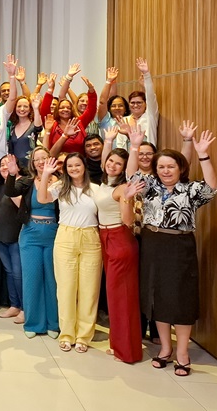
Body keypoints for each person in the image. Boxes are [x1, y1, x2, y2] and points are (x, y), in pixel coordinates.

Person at [126, 126, 217, 377]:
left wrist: (203, 155)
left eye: (171, 166)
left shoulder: (190, 189)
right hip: (152, 244)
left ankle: (183, 353)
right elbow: (131, 177)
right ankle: (165, 348)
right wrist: (134, 147)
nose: (166, 171)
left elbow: (211, 188)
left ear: (180, 168)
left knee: (181, 298)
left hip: (179, 247)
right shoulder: (151, 186)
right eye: (161, 167)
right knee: (157, 297)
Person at [37, 153, 102, 353]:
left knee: (89, 290)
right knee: (65, 289)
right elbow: (42, 198)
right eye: (70, 166)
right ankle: (66, 334)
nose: (74, 169)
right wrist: (46, 174)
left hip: (91, 238)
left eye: (77, 165)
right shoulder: (60, 187)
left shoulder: (96, 189)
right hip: (65, 237)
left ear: (84, 166)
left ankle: (84, 336)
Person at [93, 133, 143, 363]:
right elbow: (105, 159)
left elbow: (128, 220)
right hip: (105, 238)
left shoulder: (124, 188)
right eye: (110, 161)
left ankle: (127, 351)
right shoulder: (105, 183)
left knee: (122, 297)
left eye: (118, 164)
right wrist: (109, 142)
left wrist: (128, 199)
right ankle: (118, 345)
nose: (112, 165)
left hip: (119, 239)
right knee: (114, 297)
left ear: (124, 169)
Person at [5, 149, 60, 340]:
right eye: (37, 159)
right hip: (30, 234)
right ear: (32, 163)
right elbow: (10, 191)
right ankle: (33, 323)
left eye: (44, 158)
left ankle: (53, 323)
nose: (41, 162)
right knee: (32, 279)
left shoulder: (61, 181)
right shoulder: (28, 182)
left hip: (54, 234)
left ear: (51, 159)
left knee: (52, 280)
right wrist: (12, 174)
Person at [39, 63, 97, 156]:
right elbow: (44, 110)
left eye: (68, 108)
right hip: (57, 162)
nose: (65, 109)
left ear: (72, 110)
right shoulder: (51, 123)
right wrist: (50, 89)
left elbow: (91, 109)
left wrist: (91, 90)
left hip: (79, 162)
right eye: (62, 107)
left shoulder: (79, 122)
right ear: (57, 110)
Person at [0, 155, 24, 323]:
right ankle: (14, 305)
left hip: (16, 236)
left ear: (17, 166)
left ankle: (25, 308)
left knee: (19, 274)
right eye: (2, 165)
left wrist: (11, 185)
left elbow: (23, 207)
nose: (5, 167)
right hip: (1, 236)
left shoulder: (22, 185)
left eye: (9, 164)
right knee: (10, 272)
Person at [8, 93, 43, 169]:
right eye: (19, 106)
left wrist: (36, 109)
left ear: (30, 109)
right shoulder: (12, 127)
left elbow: (39, 128)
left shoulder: (33, 125)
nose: (22, 109)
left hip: (30, 166)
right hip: (16, 167)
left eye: (25, 106)